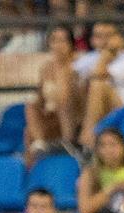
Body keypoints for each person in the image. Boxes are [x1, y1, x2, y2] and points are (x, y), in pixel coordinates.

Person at [77, 21, 124, 148]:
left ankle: (88, 141)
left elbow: (99, 74)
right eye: (99, 36)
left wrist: (108, 53)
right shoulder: (86, 59)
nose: (105, 40)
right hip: (96, 110)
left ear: (118, 38)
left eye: (109, 36)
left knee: (98, 84)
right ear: (92, 40)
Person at [24, 24, 82, 161]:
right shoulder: (46, 68)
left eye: (63, 41)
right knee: (30, 107)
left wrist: (63, 73)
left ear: (71, 44)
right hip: (51, 116)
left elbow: (79, 98)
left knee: (63, 102)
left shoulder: (78, 65)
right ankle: (39, 147)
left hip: (73, 116)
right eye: (54, 40)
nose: (58, 45)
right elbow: (40, 99)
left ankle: (69, 145)